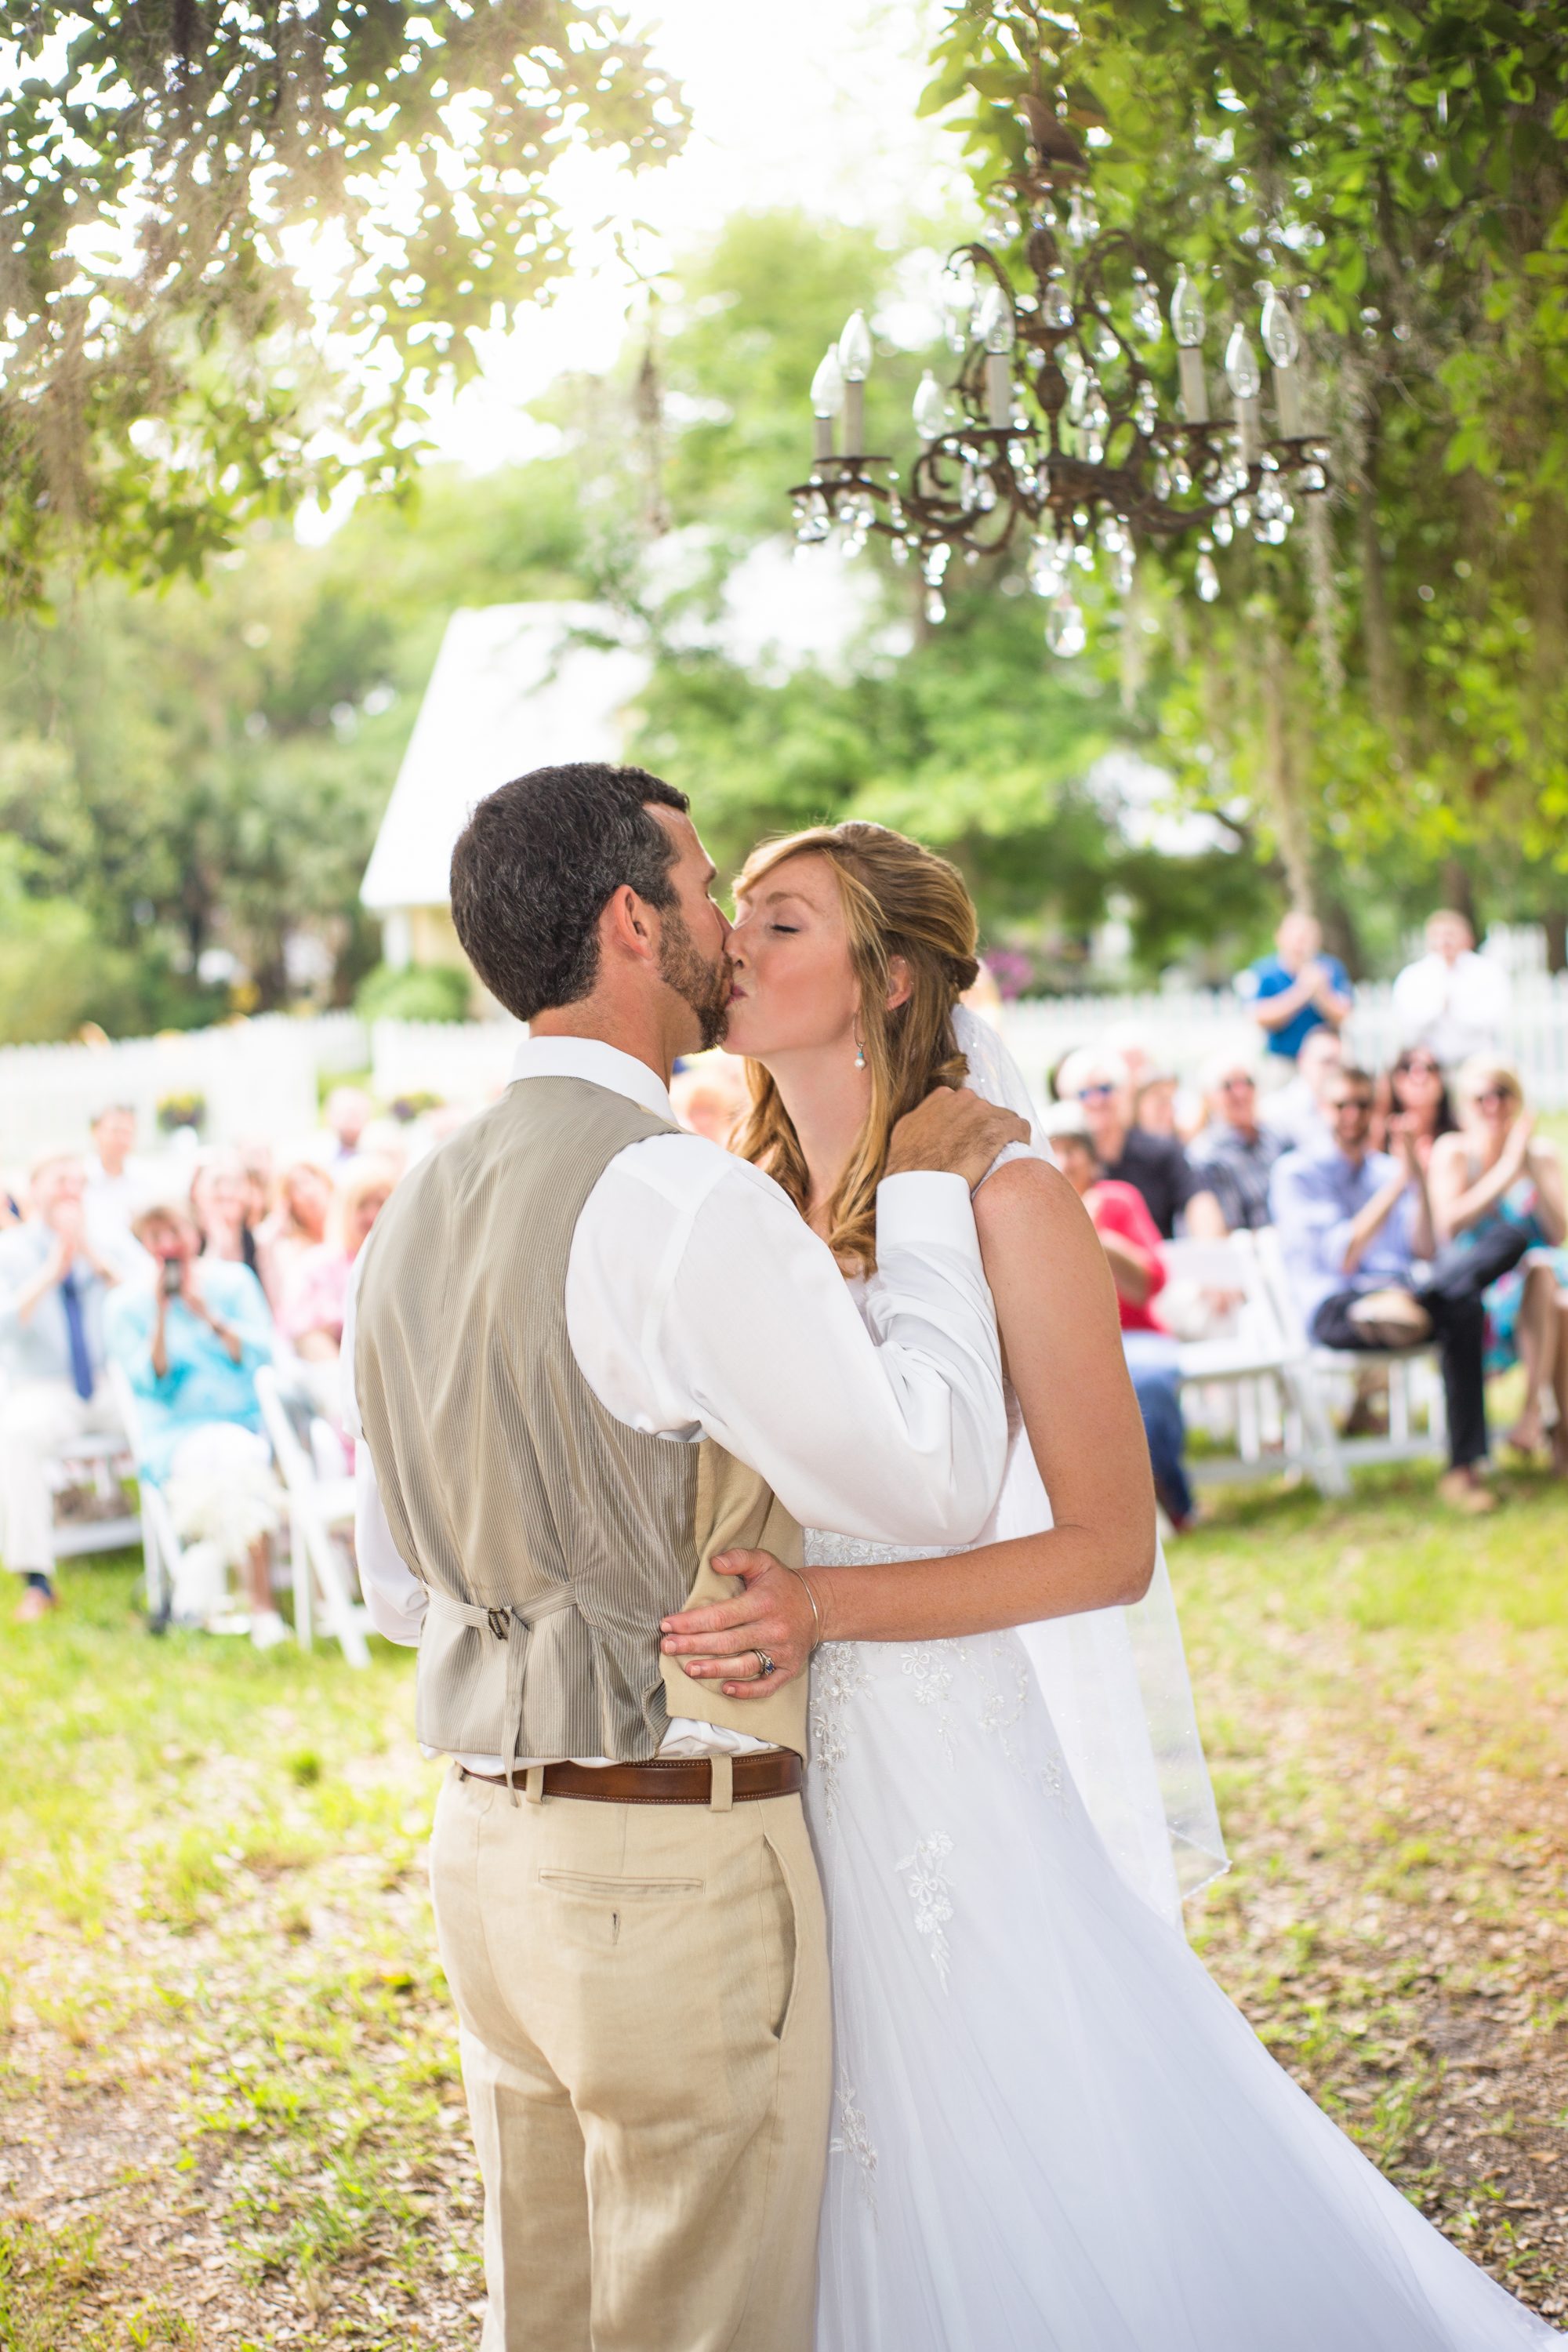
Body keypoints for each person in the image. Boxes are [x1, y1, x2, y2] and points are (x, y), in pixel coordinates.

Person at [659, 824, 1558, 2352]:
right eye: (734, 919)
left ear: (887, 980)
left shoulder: (1008, 1192)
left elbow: (1106, 1546)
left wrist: (827, 1613)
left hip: (935, 1752)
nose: (736, 948)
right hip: (758, 1766)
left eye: (783, 923)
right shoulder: (733, 1199)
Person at [344, 762, 1023, 2352]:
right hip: (663, 1862)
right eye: (709, 890)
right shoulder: (677, 1205)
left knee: (556, 2316)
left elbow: (393, 1584)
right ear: (634, 921)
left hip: (483, 1856)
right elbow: (932, 1482)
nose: (727, 925)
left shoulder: (410, 1205)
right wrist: (922, 1204)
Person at [1269, 1067, 1532, 1514]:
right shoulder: (1297, 1173)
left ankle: (1462, 1469)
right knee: (1460, 1304)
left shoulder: (1390, 1167)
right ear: (1322, 1110)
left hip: (1407, 1291)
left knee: (1504, 1246)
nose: (1352, 1115)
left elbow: (1427, 1247)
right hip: (1339, 1304)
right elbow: (1343, 1256)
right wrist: (1397, 1186)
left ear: (1375, 1110)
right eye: (1341, 1105)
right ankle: (1467, 1464)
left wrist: (1418, 1182)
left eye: (1362, 1105)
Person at [104, 1200, 284, 1646]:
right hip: (176, 1433)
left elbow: (261, 1353)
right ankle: (259, 1603)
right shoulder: (126, 1303)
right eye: (155, 1236)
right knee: (227, 1455)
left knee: (232, 1449)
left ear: (194, 1230)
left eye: (175, 1232)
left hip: (243, 1420)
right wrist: (161, 1315)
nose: (168, 1244)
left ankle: (210, 1588)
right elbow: (150, 1384)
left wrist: (207, 1313)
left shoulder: (232, 1282)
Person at [1044, 1098, 1197, 1529]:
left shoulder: (1117, 1201)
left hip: (1137, 1337)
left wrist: (1094, 1232)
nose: (1064, 1160)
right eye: (1053, 1148)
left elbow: (1151, 1282)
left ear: (1093, 1160)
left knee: (1147, 1381)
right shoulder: (1031, 1219)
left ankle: (1173, 1499)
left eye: (1074, 1149)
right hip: (1070, 1349)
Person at [0, 1156, 129, 1621]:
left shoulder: (110, 1240)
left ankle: (182, 1551)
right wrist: (50, 1272)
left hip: (107, 1381)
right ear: (36, 1190)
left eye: (79, 1182)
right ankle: (37, 1580)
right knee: (15, 1435)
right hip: (46, 1384)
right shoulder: (11, 1250)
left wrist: (94, 1257)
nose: (72, 1190)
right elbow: (4, 1326)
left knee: (154, 1418)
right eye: (61, 1181)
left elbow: (147, 1297)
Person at [1428, 1058, 1568, 1471]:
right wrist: (1506, 1167)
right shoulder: (1454, 1152)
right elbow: (1448, 1224)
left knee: (1551, 1287)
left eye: (1502, 1094)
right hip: (1483, 1289)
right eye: (1482, 1097)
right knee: (1557, 1301)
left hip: (1542, 1285)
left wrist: (1532, 1168)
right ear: (1464, 1105)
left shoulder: (1541, 1155)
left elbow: (1560, 1232)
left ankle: (1536, 1419)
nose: (1493, 1106)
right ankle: (1552, 1429)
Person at [1054, 1045, 1225, 1240]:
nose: (1097, 1101)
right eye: (1084, 1094)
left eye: (1105, 1089)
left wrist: (1209, 1247)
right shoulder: (1065, 1163)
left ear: (1124, 1093)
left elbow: (1197, 1199)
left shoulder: (1160, 1150)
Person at [279, 1158, 397, 1364]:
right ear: (345, 1209)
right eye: (362, 1205)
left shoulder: (404, 1262)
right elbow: (306, 1338)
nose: (372, 1214)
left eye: (380, 1202)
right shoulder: (316, 1266)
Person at [1392, 909, 1512, 1066]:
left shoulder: (1488, 972)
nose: (1444, 941)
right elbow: (1408, 1019)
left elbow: (1493, 1015)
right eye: (1437, 935)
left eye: (1450, 934)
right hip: (1429, 1064)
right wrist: (1438, 1005)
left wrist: (1455, 1005)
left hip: (1477, 1059)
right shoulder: (1412, 976)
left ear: (1468, 938)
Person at [1234, 909, 1353, 1066]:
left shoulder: (1332, 968)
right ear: (1279, 937)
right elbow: (1258, 1016)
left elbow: (1344, 1015)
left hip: (1326, 1061)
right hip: (1282, 1060)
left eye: (1306, 937)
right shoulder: (1264, 972)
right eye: (1295, 938)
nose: (1300, 944)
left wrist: (1322, 993)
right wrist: (1301, 992)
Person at [1187, 1052, 1287, 1232]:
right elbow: (1230, 1230)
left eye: (1247, 1083)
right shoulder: (1205, 1155)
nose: (1240, 1093)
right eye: (1228, 1086)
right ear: (1209, 1097)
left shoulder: (1277, 1138)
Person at [254, 1154, 334, 1314]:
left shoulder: (348, 1233)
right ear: (288, 1203)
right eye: (295, 1188)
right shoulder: (288, 1250)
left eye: (311, 1180)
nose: (308, 1192)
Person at [1261, 1023, 1344, 1152]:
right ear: (1302, 1059)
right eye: (1326, 1062)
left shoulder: (1347, 1109)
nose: (1333, 1070)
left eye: (1337, 1063)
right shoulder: (1275, 1109)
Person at [83, 1103, 154, 1250]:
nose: (122, 1139)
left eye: (128, 1132)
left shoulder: (144, 1178)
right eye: (115, 1131)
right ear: (96, 1132)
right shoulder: (80, 1179)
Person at [1371, 1045, 1457, 1162]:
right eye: (1407, 1067)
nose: (1419, 1076)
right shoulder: (1381, 1135)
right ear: (1395, 1080)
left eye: (1430, 1068)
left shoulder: (1457, 1139)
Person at [190, 1149, 260, 1276]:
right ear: (197, 1192)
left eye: (236, 1184)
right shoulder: (190, 1241)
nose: (227, 1192)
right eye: (217, 1183)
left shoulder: (257, 1243)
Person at [323, 1085, 374, 1163]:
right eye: (344, 1114)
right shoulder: (315, 1152)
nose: (350, 1122)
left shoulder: (376, 1154)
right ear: (329, 1115)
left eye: (356, 1115)